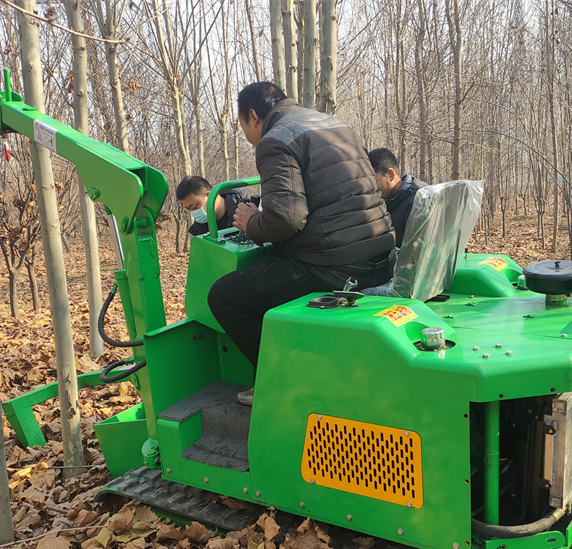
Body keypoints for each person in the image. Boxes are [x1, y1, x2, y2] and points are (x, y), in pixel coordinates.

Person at [207, 81, 395, 406]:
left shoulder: (274, 140)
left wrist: (250, 221)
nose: (247, 135)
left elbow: (287, 219)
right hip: (381, 254)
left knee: (225, 296)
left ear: (253, 116)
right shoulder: (335, 125)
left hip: (337, 267)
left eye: (242, 126)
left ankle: (277, 381)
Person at [368, 148, 426, 247]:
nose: (369, 185)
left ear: (390, 174)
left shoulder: (417, 202)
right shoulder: (388, 200)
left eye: (373, 178)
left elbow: (415, 255)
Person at [176, 175, 249, 236]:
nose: (194, 212)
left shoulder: (244, 213)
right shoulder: (200, 230)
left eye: (195, 206)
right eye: (188, 209)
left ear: (209, 195)